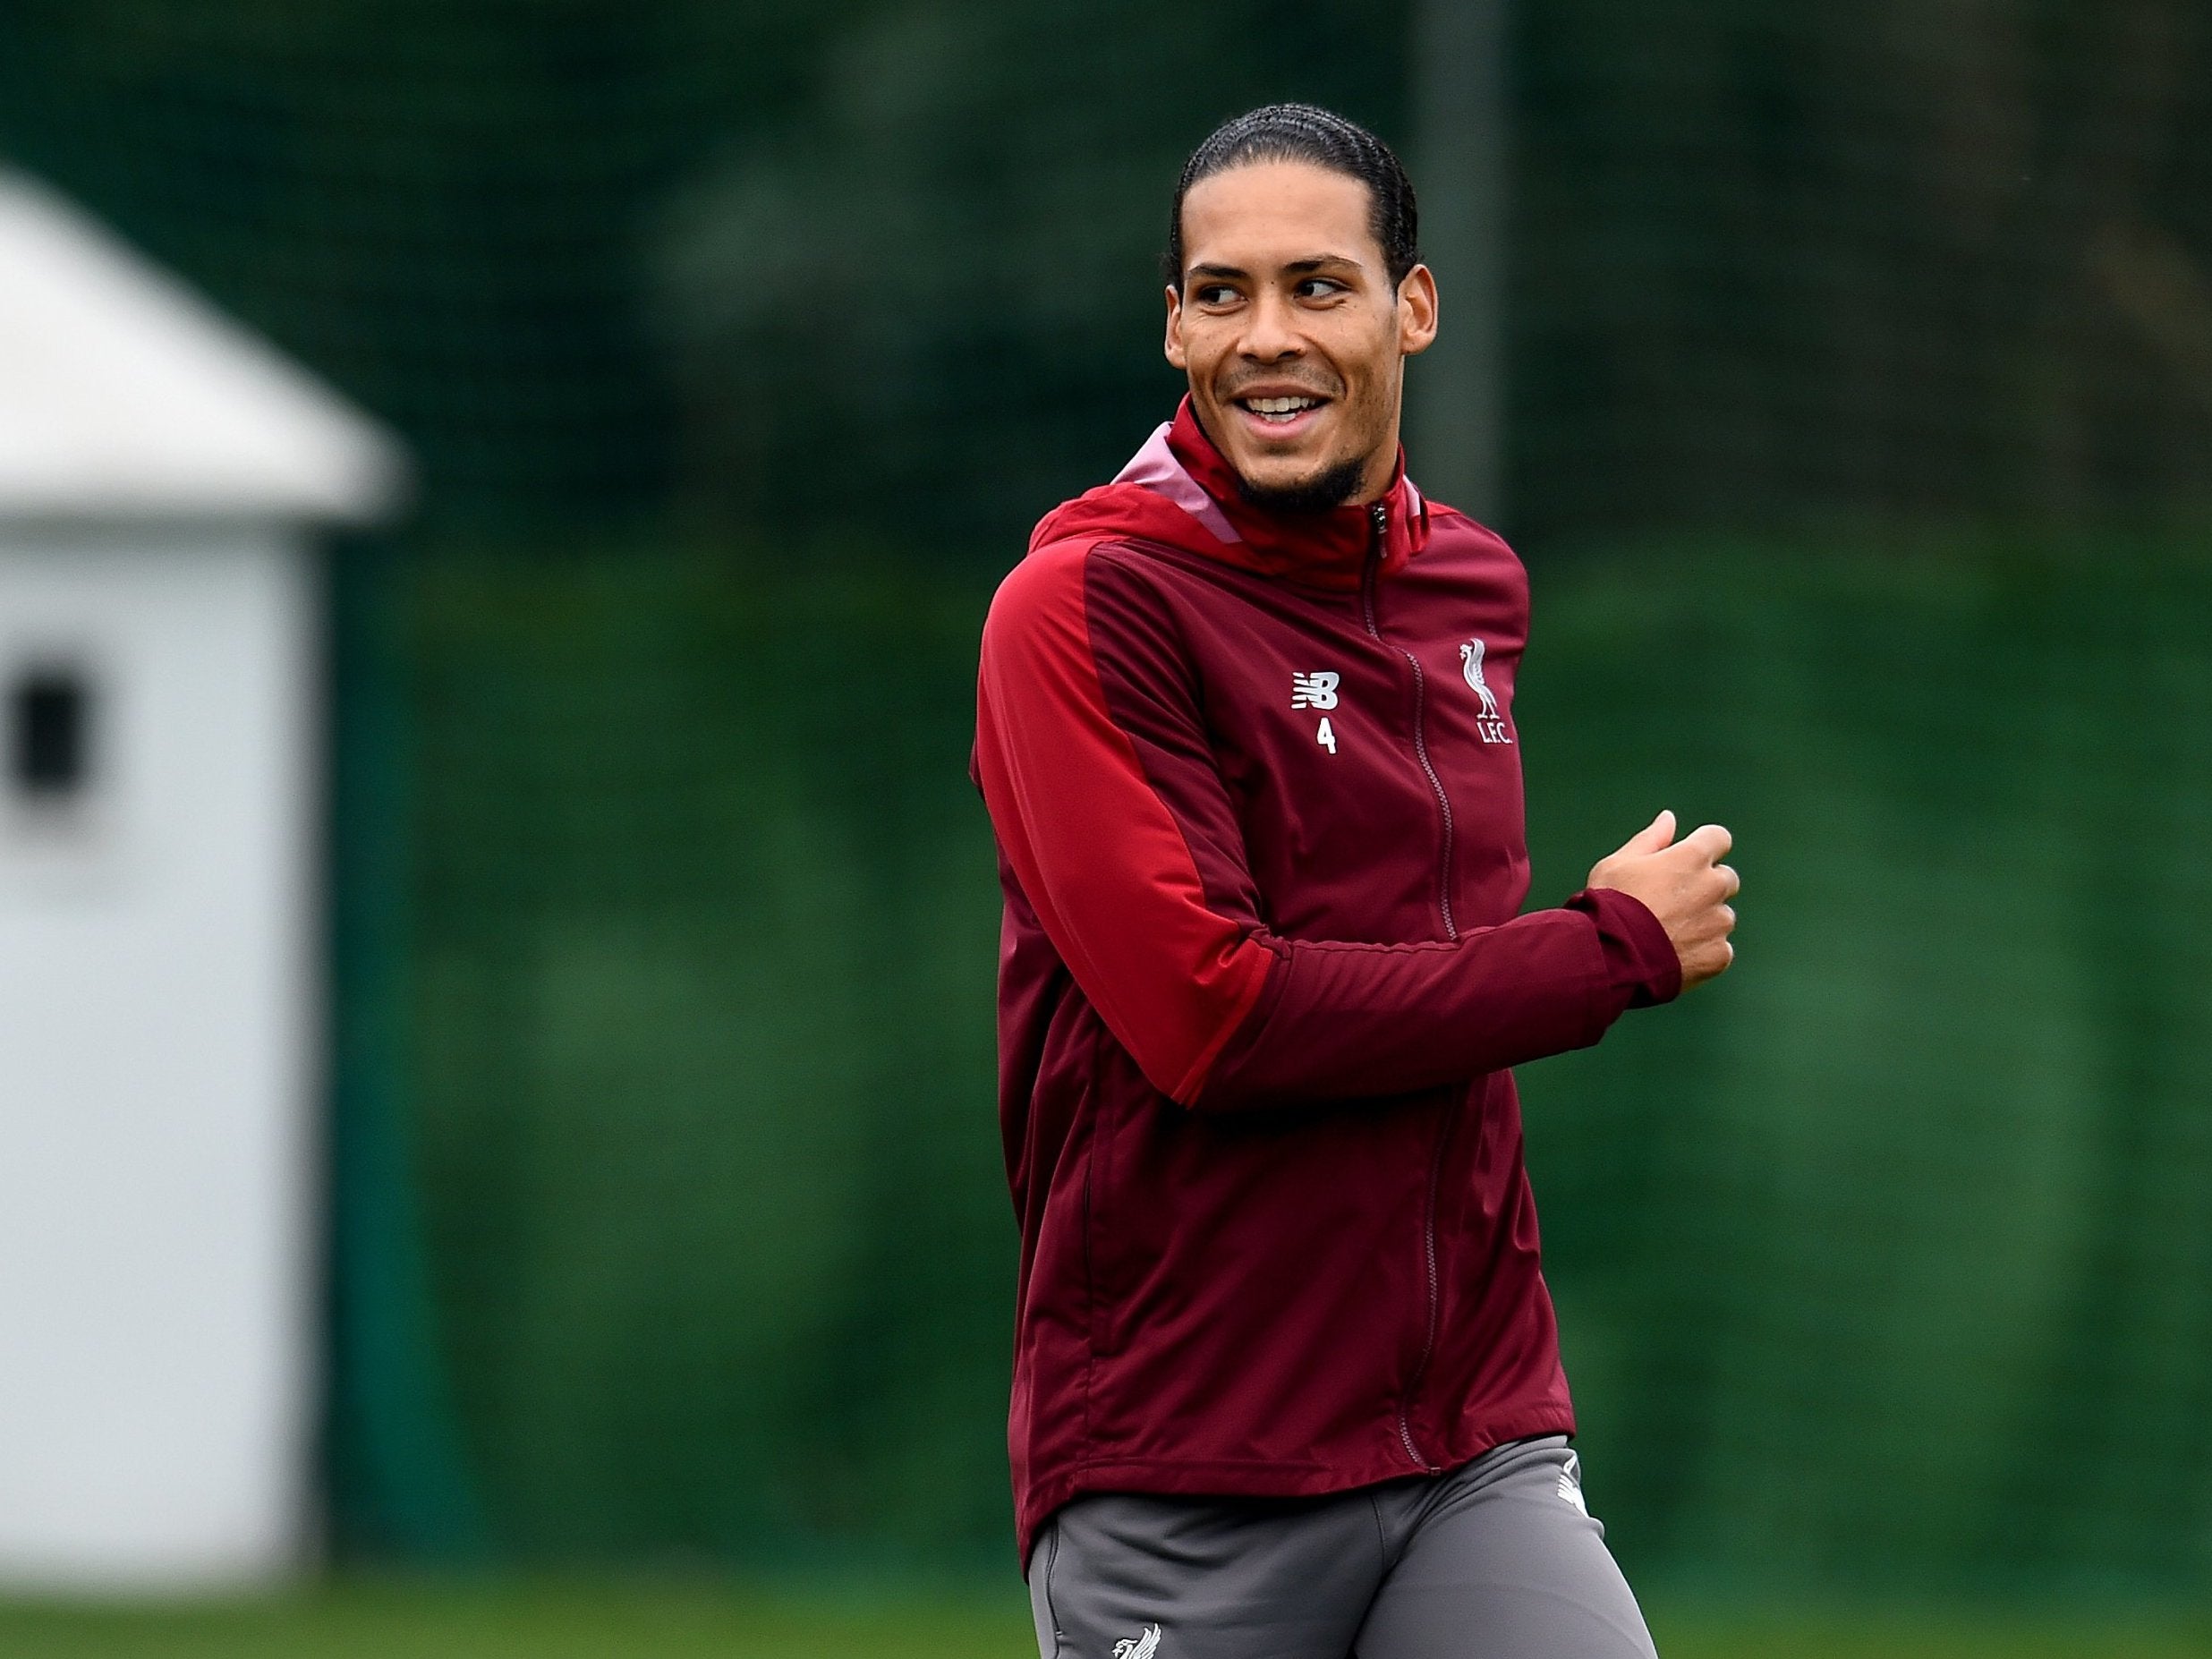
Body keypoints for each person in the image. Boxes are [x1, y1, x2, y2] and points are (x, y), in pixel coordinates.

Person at [972, 103, 1738, 1659]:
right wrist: (1600, 955)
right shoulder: (1081, 605)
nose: (1269, 337)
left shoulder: (1475, 585)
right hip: (1190, 1466)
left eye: (1318, 286)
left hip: (1473, 1441)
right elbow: (1216, 1020)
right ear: (1174, 325)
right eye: (1222, 293)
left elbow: (1419, 996)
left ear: (1415, 306)